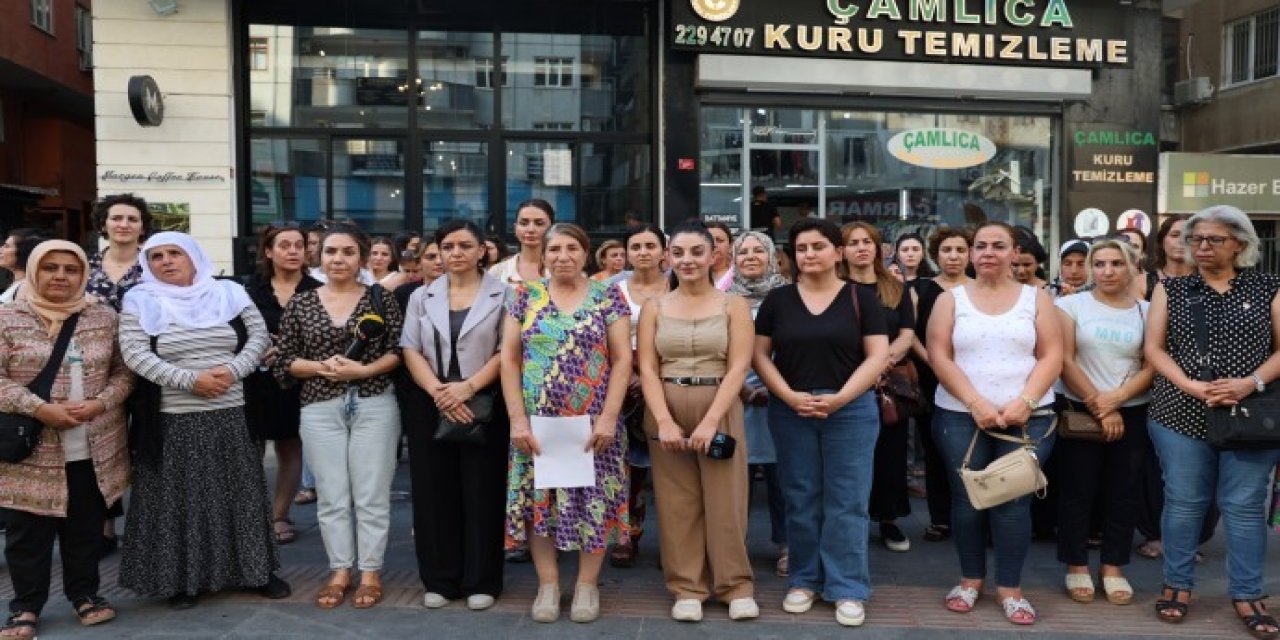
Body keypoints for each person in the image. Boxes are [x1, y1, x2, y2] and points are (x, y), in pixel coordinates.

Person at [118, 232, 288, 609]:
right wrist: (190, 380)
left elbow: (258, 338)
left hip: (232, 411)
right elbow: (134, 354)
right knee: (179, 500)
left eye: (174, 253)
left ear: (193, 256)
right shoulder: (139, 299)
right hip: (173, 417)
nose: (166, 261)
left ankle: (256, 572)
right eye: (156, 256)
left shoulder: (228, 292)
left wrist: (231, 372)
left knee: (242, 495)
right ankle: (182, 580)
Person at [1145, 205, 1280, 637]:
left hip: (1249, 415)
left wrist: (1250, 382)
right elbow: (1154, 349)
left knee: (1243, 509)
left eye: (1213, 239)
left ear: (1239, 243)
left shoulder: (1269, 287)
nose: (1201, 247)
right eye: (1195, 239)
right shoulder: (1172, 289)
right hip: (1179, 413)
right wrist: (1190, 385)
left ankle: (1247, 592)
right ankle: (1177, 585)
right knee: (1184, 502)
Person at [752, 218, 889, 627]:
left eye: (819, 246)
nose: (810, 254)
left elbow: (877, 356)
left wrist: (841, 398)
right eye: (802, 248)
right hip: (791, 410)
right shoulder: (778, 301)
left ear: (838, 252)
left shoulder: (862, 298)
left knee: (847, 499)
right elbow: (759, 355)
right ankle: (804, 579)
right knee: (801, 496)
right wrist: (789, 395)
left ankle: (847, 586)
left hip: (850, 410)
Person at [927, 221, 1062, 626]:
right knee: (968, 500)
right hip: (959, 414)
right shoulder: (950, 299)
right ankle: (970, 580)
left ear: (1014, 251)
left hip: (1029, 417)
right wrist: (975, 403)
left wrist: (1025, 401)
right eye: (980, 245)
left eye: (997, 245)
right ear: (970, 253)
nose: (987, 252)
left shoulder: (1036, 298)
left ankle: (1010, 588)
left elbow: (1052, 354)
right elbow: (939, 355)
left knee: (1013, 501)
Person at [500, 223, 632, 624]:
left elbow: (623, 358)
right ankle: (548, 584)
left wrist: (609, 417)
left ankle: (588, 585)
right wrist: (517, 420)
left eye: (571, 248)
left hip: (594, 426)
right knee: (542, 504)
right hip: (538, 425)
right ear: (543, 255)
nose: (562, 256)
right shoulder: (524, 295)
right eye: (554, 249)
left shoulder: (608, 295)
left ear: (585, 252)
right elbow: (509, 358)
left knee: (594, 503)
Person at [0, 241, 133, 637]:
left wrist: (101, 403)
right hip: (30, 447)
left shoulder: (103, 317)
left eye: (71, 269)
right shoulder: (6, 317)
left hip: (94, 445)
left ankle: (86, 595)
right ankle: (25, 607)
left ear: (83, 275)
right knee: (27, 533)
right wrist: (40, 409)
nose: (60, 276)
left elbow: (125, 373)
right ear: (35, 270)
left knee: (86, 529)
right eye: (51, 268)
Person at [274, 223, 404, 610]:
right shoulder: (302, 302)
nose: (338, 259)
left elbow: (399, 351)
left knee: (371, 494)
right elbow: (284, 362)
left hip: (374, 401)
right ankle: (340, 571)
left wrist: (361, 371)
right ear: (320, 257)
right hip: (319, 406)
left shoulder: (380, 299)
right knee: (331, 495)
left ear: (361, 258)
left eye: (348, 252)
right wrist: (320, 367)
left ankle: (370, 572)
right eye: (331, 252)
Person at [636, 223, 757, 622]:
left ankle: (735, 584)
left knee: (727, 499)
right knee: (675, 502)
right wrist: (664, 421)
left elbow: (739, 366)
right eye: (679, 252)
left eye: (696, 252)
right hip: (666, 402)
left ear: (713, 257)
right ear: (668, 257)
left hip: (719, 401)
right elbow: (648, 370)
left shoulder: (733, 305)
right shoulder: (655, 307)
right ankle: (687, 586)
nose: (687, 260)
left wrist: (711, 420)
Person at [401, 220, 509, 611]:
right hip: (431, 401)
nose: (456, 252)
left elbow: (506, 351)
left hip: (485, 401)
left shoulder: (505, 294)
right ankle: (440, 579)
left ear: (483, 250)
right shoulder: (420, 297)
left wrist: (468, 388)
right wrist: (438, 391)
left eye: (465, 245)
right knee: (433, 492)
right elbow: (410, 349)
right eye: (448, 246)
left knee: (482, 490)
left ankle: (482, 579)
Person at [1054, 239, 1152, 606]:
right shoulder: (1070, 305)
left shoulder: (1147, 310)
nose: (1107, 271)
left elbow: (1152, 363)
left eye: (1116, 263)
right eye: (1100, 264)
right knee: (1078, 490)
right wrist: (1102, 406)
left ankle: (1114, 566)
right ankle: (1076, 563)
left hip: (1133, 410)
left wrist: (1118, 401)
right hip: (1081, 408)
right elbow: (1064, 359)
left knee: (1123, 491)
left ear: (1131, 267)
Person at [243, 223, 321, 547]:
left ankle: (279, 516)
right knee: (251, 449)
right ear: (269, 251)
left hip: (298, 380)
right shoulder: (250, 290)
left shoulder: (317, 290)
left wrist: (292, 352)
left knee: (290, 446)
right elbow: (234, 330)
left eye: (298, 245)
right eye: (284, 245)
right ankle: (250, 516)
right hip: (255, 378)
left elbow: (326, 337)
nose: (292, 251)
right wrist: (256, 347)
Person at [1135, 214, 1206, 560]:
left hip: (1200, 390)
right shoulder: (1142, 281)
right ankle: (1155, 532)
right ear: (1161, 240)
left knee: (1200, 472)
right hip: (1147, 386)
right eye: (1175, 234)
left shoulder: (1211, 283)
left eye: (1189, 235)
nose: (1182, 241)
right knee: (1154, 468)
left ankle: (1192, 539)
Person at [844, 222, 916, 553]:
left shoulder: (894, 287)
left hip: (887, 384)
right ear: (841, 249)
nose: (861, 247)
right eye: (853, 242)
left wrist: (882, 361)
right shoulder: (834, 288)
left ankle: (889, 520)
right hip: (845, 381)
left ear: (878, 248)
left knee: (889, 454)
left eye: (867, 242)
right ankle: (851, 522)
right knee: (850, 458)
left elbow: (906, 333)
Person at [726, 230, 789, 576]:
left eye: (758, 251)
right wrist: (744, 391)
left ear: (771, 257)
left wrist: (774, 389)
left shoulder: (790, 298)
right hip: (735, 401)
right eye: (743, 252)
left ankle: (787, 545)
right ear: (733, 259)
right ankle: (736, 546)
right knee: (735, 483)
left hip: (782, 400)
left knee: (785, 479)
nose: (750, 257)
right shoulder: (722, 299)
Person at [608, 224, 667, 569]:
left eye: (650, 245)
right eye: (636, 246)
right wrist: (627, 372)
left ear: (664, 251)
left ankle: (676, 543)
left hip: (667, 382)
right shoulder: (610, 289)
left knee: (672, 470)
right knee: (626, 469)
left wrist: (650, 376)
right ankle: (626, 535)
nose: (643, 252)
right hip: (622, 385)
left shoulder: (679, 284)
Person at [910, 227, 973, 544]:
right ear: (936, 255)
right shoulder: (921, 288)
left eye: (960, 250)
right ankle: (940, 518)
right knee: (936, 449)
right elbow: (912, 335)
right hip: (931, 377)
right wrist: (936, 363)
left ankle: (973, 516)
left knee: (973, 450)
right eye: (947, 250)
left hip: (974, 377)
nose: (954, 256)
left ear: (970, 254)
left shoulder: (979, 289)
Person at [86, 194, 150, 311]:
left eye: (132, 219)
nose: (124, 225)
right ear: (103, 225)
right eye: (116, 218)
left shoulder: (153, 266)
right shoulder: (84, 267)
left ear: (142, 228)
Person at [489, 199, 553, 285]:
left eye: (539, 223)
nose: (531, 229)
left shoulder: (563, 268)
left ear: (552, 228)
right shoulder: (498, 272)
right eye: (524, 223)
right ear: (515, 228)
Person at [0, 230, 49, 304]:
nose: (1, 250)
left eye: (7, 246)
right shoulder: (20, 283)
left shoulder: (26, 287)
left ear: (24, 251)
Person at [393, 239, 443, 312]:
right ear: (419, 262)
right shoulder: (402, 293)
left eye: (442, 256)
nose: (439, 262)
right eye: (431, 257)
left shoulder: (461, 292)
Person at [705, 222, 735, 291]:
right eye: (709, 240)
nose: (714, 245)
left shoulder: (740, 275)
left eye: (720, 240)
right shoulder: (692, 275)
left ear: (730, 246)